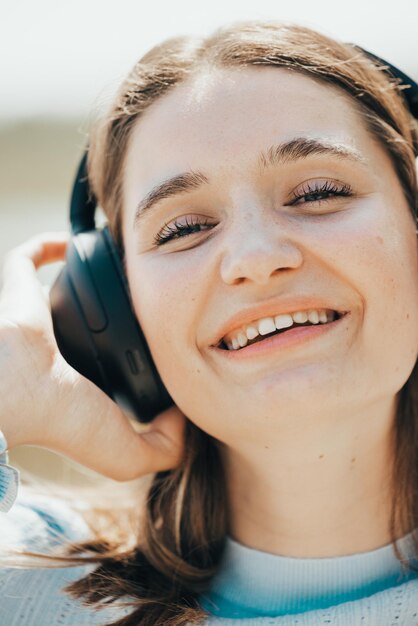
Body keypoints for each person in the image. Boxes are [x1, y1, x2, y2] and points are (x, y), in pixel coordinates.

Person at [1, 19, 418, 626]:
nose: (255, 258)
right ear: (115, 307)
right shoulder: (26, 585)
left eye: (318, 191)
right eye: (184, 229)